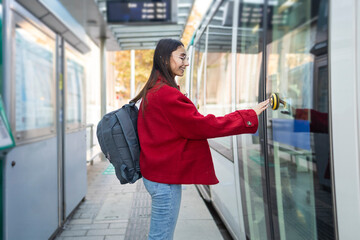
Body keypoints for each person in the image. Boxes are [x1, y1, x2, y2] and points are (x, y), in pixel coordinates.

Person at [131, 39, 269, 240]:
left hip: (157, 174)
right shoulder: (165, 94)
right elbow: (203, 126)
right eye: (182, 57)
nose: (186, 63)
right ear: (164, 58)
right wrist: (247, 116)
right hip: (164, 181)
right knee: (160, 237)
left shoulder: (155, 89)